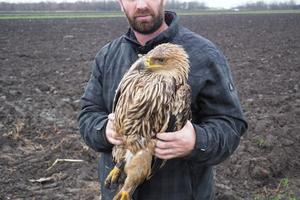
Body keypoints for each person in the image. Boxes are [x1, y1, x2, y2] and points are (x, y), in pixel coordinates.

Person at [78, 0, 248, 199]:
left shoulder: (204, 55)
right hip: (115, 189)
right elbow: (87, 115)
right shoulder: (108, 56)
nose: (141, 5)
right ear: (120, 3)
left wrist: (196, 140)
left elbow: (232, 126)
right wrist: (103, 130)